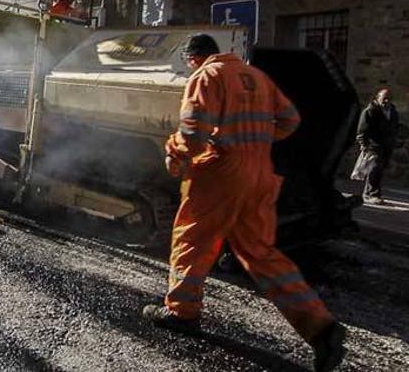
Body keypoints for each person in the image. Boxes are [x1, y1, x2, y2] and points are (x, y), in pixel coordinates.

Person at [142, 34, 346, 372]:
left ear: (194, 58)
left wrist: (174, 153)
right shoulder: (258, 78)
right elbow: (291, 120)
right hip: (260, 173)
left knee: (191, 239)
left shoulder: (206, 76)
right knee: (261, 253)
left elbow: (193, 134)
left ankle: (182, 312)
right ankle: (321, 328)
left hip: (221, 173)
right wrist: (256, 141)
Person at [356, 88, 400, 204]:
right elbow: (362, 130)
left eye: (388, 98)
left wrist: (394, 140)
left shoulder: (393, 111)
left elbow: (395, 127)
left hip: (387, 145)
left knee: (379, 170)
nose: (386, 101)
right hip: (373, 145)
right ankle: (371, 194)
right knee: (373, 169)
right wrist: (363, 144)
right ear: (377, 98)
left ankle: (371, 193)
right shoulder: (370, 111)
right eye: (383, 98)